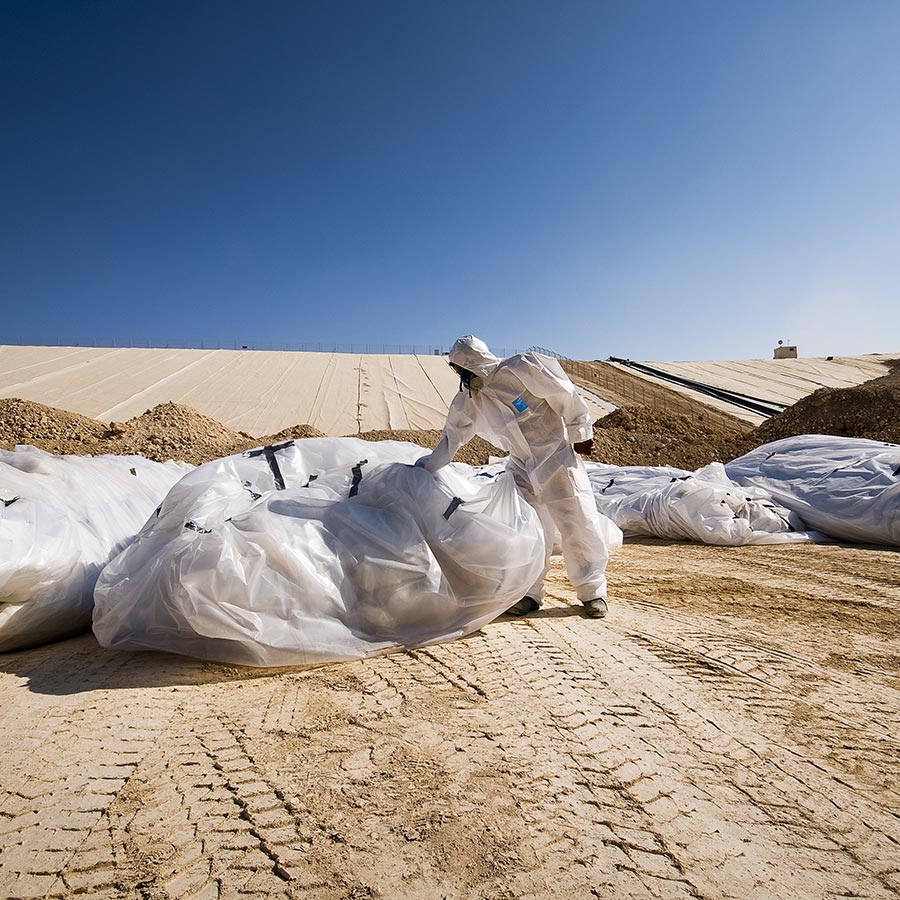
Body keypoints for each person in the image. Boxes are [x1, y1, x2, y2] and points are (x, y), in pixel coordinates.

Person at [415, 335, 610, 618]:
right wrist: (426, 467)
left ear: (470, 361)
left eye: (458, 368)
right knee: (530, 531)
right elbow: (452, 437)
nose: (457, 374)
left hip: (556, 459)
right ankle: (530, 593)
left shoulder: (521, 368)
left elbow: (564, 394)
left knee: (577, 523)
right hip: (521, 468)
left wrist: (581, 433)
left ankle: (592, 591)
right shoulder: (471, 399)